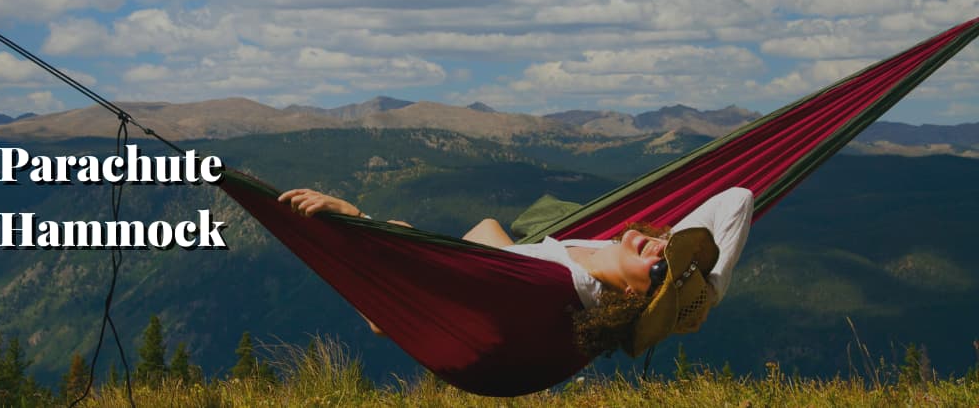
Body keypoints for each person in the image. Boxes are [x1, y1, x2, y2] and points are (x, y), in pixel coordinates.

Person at [277, 187, 753, 355]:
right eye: (669, 245)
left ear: (633, 298)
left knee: (411, 244)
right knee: (486, 229)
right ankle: (386, 313)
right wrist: (704, 284)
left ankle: (385, 313)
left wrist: (356, 220)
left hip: (473, 282)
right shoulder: (611, 256)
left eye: (659, 267)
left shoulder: (556, 288)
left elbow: (429, 267)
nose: (660, 247)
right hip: (499, 249)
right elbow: (738, 199)